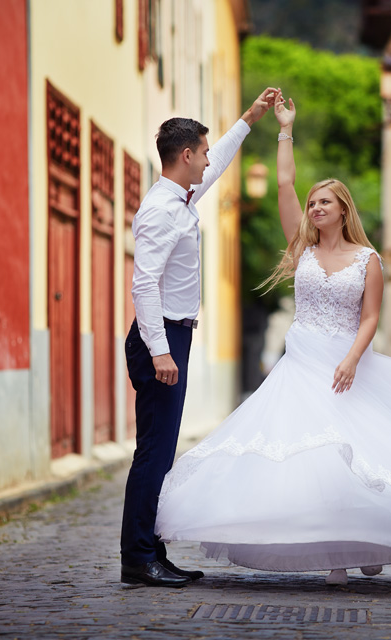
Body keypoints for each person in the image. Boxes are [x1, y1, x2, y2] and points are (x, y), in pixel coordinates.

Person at [154, 90, 391, 585]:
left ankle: (365, 540)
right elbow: (284, 183)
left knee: (358, 457)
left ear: (343, 209)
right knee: (315, 458)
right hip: (301, 363)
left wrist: (350, 360)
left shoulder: (368, 261)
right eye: (312, 202)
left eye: (324, 201)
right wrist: (284, 128)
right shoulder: (301, 248)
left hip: (346, 364)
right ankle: (338, 556)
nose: (315, 206)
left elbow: (370, 318)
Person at [121, 87, 277, 588]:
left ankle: (151, 551)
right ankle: (137, 557)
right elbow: (143, 283)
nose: (208, 159)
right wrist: (161, 350)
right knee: (154, 453)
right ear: (185, 155)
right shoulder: (161, 210)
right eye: (203, 152)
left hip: (172, 337)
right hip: (161, 339)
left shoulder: (181, 196)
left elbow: (220, 164)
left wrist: (250, 119)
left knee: (160, 454)